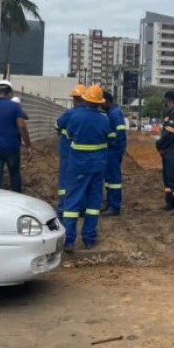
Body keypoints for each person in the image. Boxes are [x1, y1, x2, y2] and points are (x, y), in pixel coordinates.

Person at [61, 85, 111, 251]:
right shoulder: (104, 119)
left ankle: (69, 240)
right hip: (97, 166)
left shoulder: (75, 117)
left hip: (77, 166)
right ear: (99, 103)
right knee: (93, 203)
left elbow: (68, 135)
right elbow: (110, 138)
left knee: (72, 202)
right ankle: (89, 239)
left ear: (86, 99)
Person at [54, 84, 86, 218]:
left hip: (68, 152)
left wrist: (61, 130)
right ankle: (82, 207)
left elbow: (57, 124)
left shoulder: (70, 114)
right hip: (85, 155)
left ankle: (63, 207)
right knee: (82, 181)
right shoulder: (93, 115)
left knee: (65, 182)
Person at [102, 91, 128, 217]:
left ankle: (114, 206)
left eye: (102, 102)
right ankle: (109, 203)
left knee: (114, 179)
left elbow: (120, 131)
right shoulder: (110, 113)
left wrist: (113, 143)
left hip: (114, 150)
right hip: (110, 150)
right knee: (109, 179)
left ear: (107, 101)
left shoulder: (115, 113)